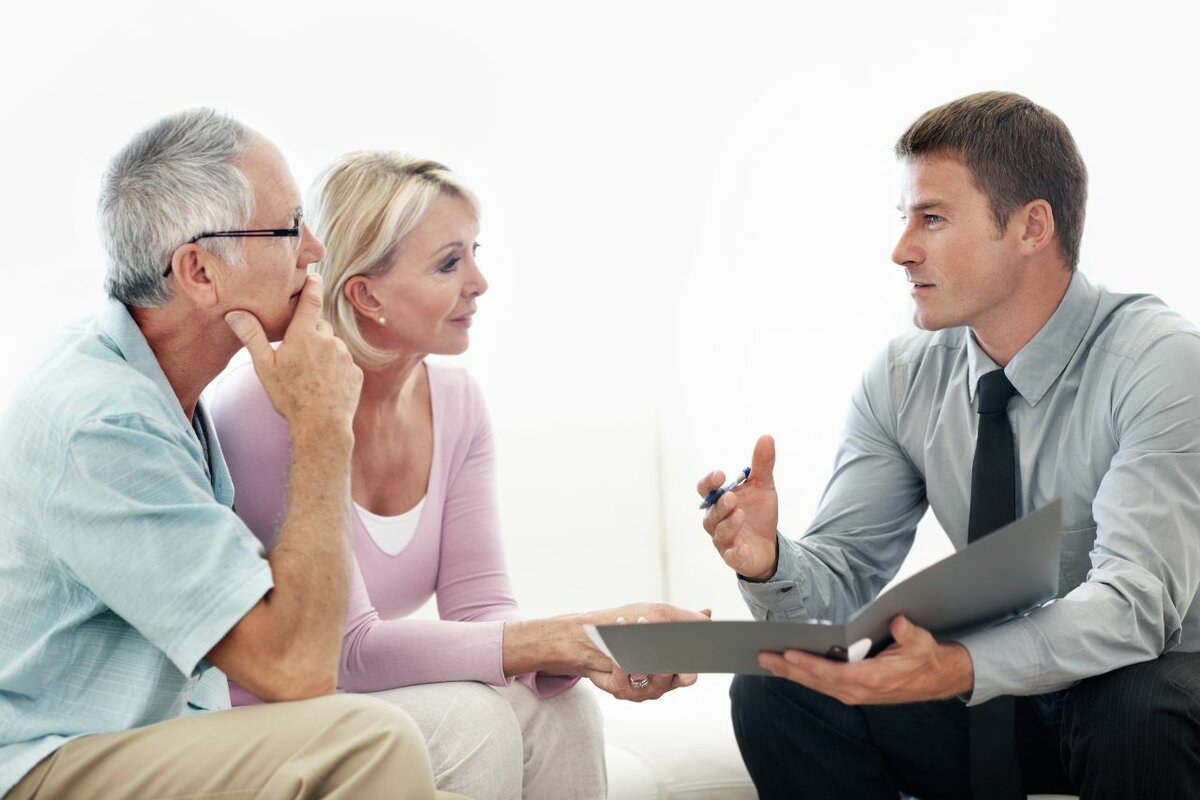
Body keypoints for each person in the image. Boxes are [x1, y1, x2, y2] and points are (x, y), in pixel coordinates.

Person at [699, 91, 1200, 800]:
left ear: (1031, 227)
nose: (901, 250)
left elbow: (1136, 606)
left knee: (1134, 707)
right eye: (904, 218)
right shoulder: (903, 378)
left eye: (931, 219)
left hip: (1149, 686)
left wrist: (959, 665)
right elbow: (837, 588)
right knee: (776, 688)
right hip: (1003, 699)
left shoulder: (1159, 363)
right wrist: (770, 561)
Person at [209, 150, 709, 800]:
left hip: (359, 700)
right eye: (449, 262)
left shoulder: (456, 401)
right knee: (470, 721)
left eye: (474, 252)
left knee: (562, 707)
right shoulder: (267, 402)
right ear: (366, 294)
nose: (479, 282)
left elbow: (481, 611)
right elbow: (345, 651)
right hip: (265, 716)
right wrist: (572, 638)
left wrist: (581, 655)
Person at [0, 110, 458, 800]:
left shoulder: (151, 387)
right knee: (368, 742)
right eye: (289, 227)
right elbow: (298, 667)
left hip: (134, 739)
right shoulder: (104, 426)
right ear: (200, 271)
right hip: (41, 763)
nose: (315, 250)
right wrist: (323, 427)